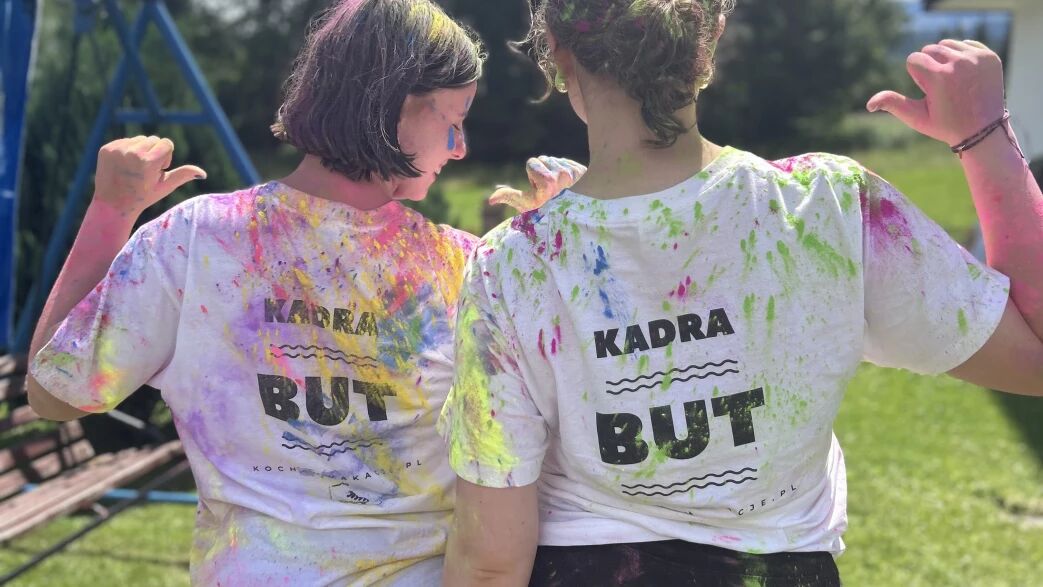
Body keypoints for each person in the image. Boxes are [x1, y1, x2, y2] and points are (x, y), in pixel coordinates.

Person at [440, 0, 1043, 585]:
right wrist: (983, 132)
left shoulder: (511, 264)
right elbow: (1034, 353)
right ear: (712, 36)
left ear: (558, 51)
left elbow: (491, 563)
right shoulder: (825, 206)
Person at [26, 0, 580, 584]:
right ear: (399, 104)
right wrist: (553, 251)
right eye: (456, 119)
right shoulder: (463, 267)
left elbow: (56, 392)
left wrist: (111, 211)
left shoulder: (197, 240)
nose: (461, 147)